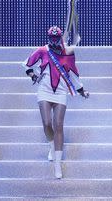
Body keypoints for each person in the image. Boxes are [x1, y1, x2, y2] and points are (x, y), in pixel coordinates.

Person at [23, 26, 89, 178]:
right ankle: (51, 147)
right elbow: (27, 65)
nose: (53, 40)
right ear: (48, 37)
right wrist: (33, 76)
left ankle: (57, 165)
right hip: (44, 90)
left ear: (60, 37)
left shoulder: (68, 53)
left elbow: (73, 74)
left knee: (58, 125)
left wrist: (82, 91)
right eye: (51, 38)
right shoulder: (42, 50)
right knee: (47, 123)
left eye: (56, 37)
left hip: (60, 92)